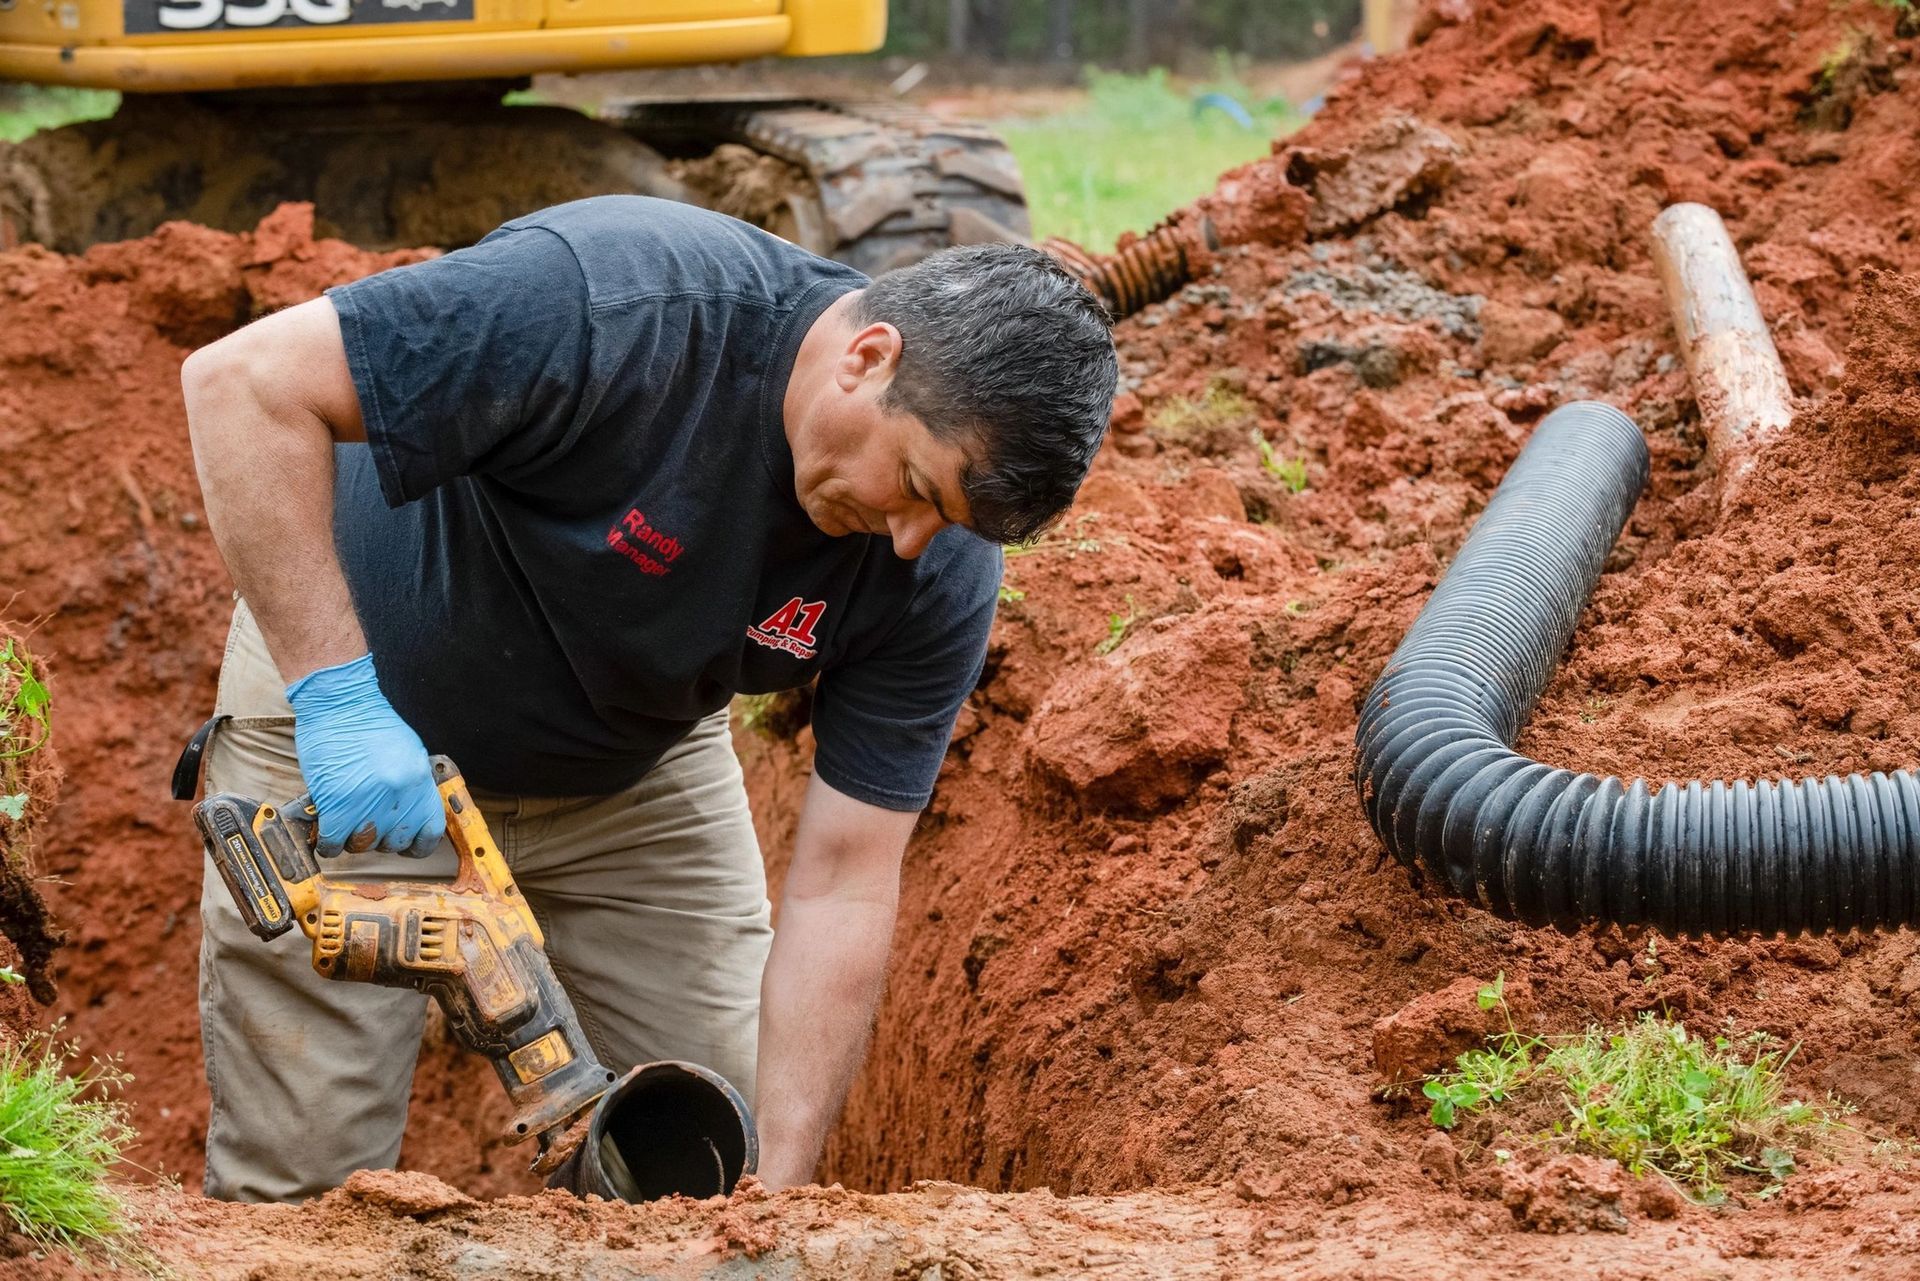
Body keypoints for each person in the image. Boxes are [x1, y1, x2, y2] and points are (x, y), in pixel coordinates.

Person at [178, 195, 1118, 1202]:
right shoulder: (617, 302)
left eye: (952, 526)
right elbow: (242, 383)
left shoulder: (937, 567)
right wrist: (335, 700)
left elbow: (845, 878)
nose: (908, 544)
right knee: (308, 1183)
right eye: (919, 489)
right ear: (868, 357)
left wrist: (775, 1209)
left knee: (718, 1145)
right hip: (358, 718)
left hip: (633, 772)